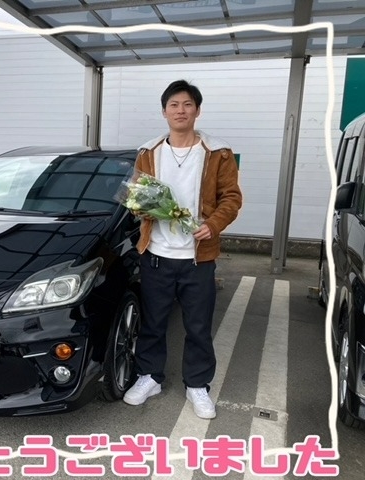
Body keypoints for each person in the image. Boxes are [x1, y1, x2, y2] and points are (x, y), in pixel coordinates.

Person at [123, 79, 242, 419]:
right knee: (153, 322)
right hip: (156, 255)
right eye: (174, 105)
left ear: (197, 111)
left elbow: (231, 198)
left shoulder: (218, 153)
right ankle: (150, 377)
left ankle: (197, 385)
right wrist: (142, 209)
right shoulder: (148, 152)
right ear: (164, 111)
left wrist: (213, 224)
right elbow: (136, 196)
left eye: (187, 104)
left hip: (198, 257)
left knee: (198, 326)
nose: (180, 110)